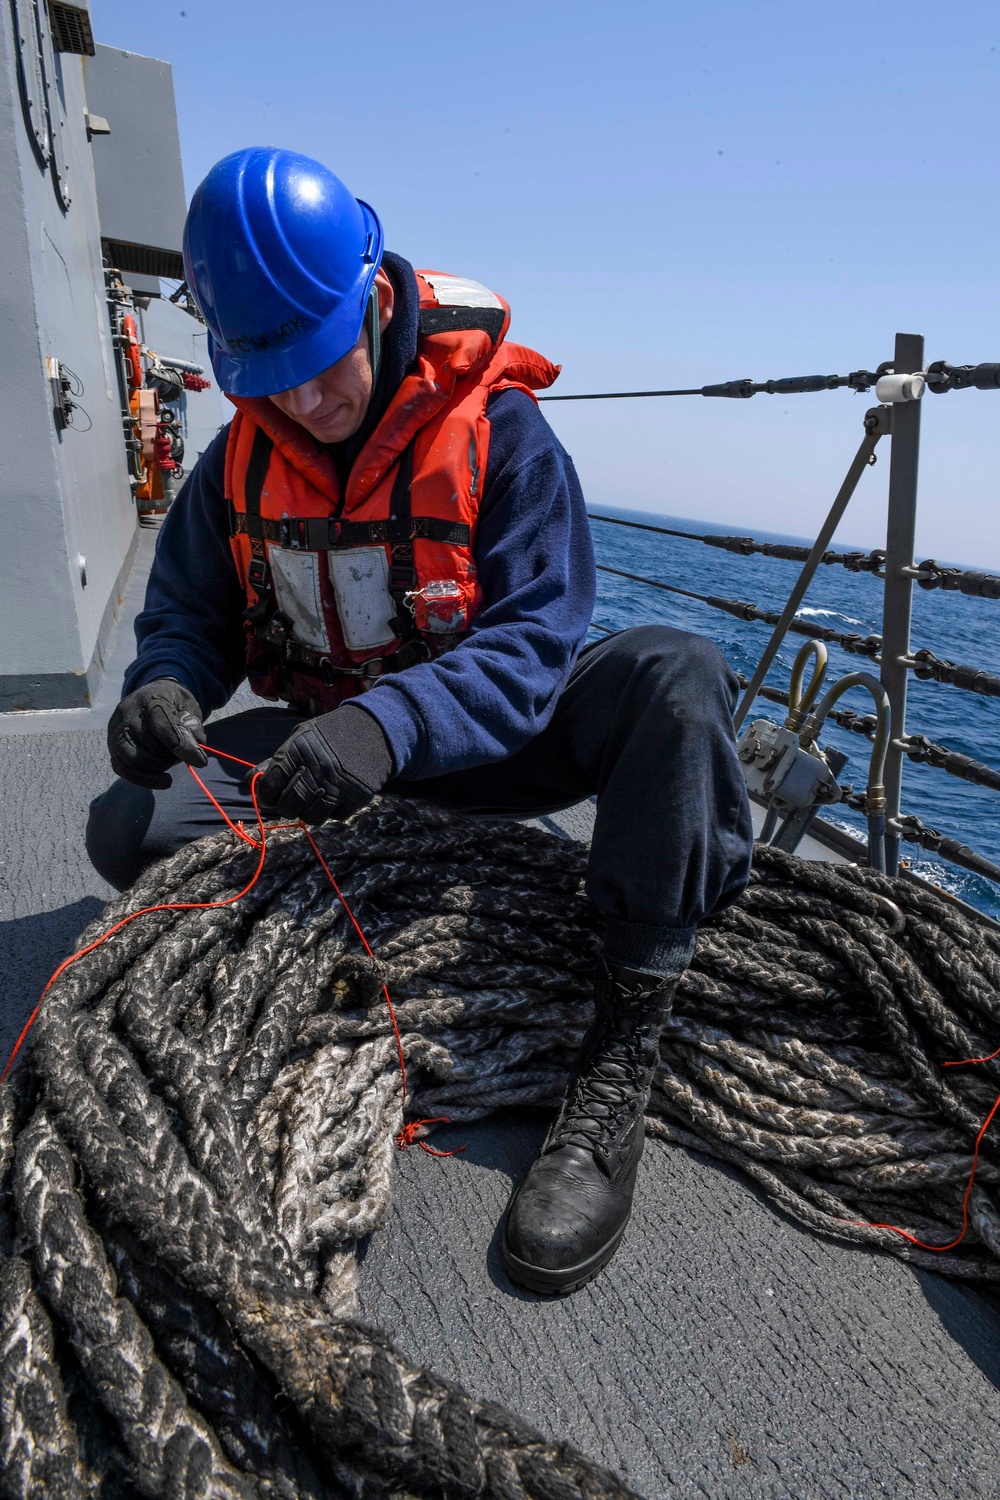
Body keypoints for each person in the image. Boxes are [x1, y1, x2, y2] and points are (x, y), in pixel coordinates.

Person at [87, 147, 754, 1295]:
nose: (302, 400)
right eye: (270, 376)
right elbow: (191, 613)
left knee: (676, 675)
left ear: (377, 297)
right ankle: (371, 915)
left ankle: (622, 1042)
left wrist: (383, 728)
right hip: (328, 763)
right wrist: (168, 690)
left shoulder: (502, 436)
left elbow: (537, 643)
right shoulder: (236, 460)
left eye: (317, 362)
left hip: (492, 749)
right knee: (125, 830)